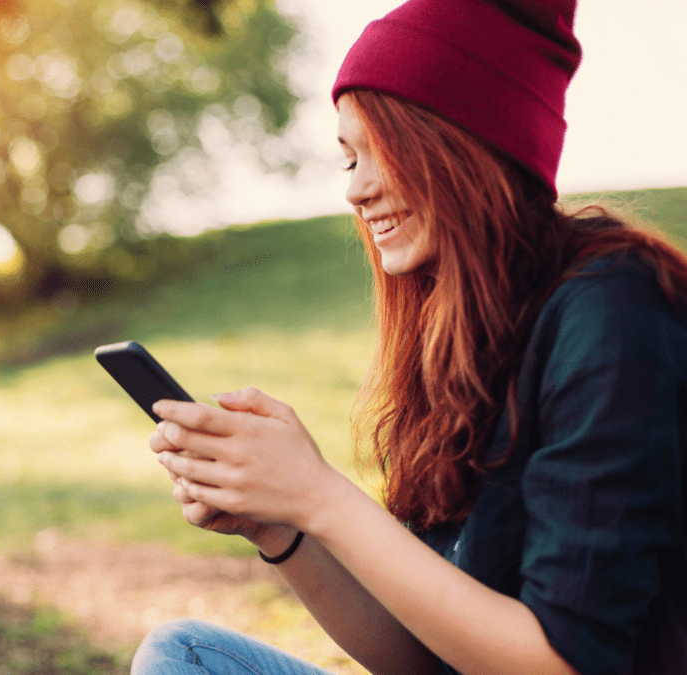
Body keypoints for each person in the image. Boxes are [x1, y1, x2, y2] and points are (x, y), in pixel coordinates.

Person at [130, 1, 687, 674]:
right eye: (347, 160)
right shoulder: (458, 336)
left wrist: (319, 494)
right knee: (185, 655)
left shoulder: (613, 310)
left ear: (463, 143)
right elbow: (420, 660)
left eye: (380, 150)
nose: (356, 191)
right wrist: (278, 524)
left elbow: (566, 662)